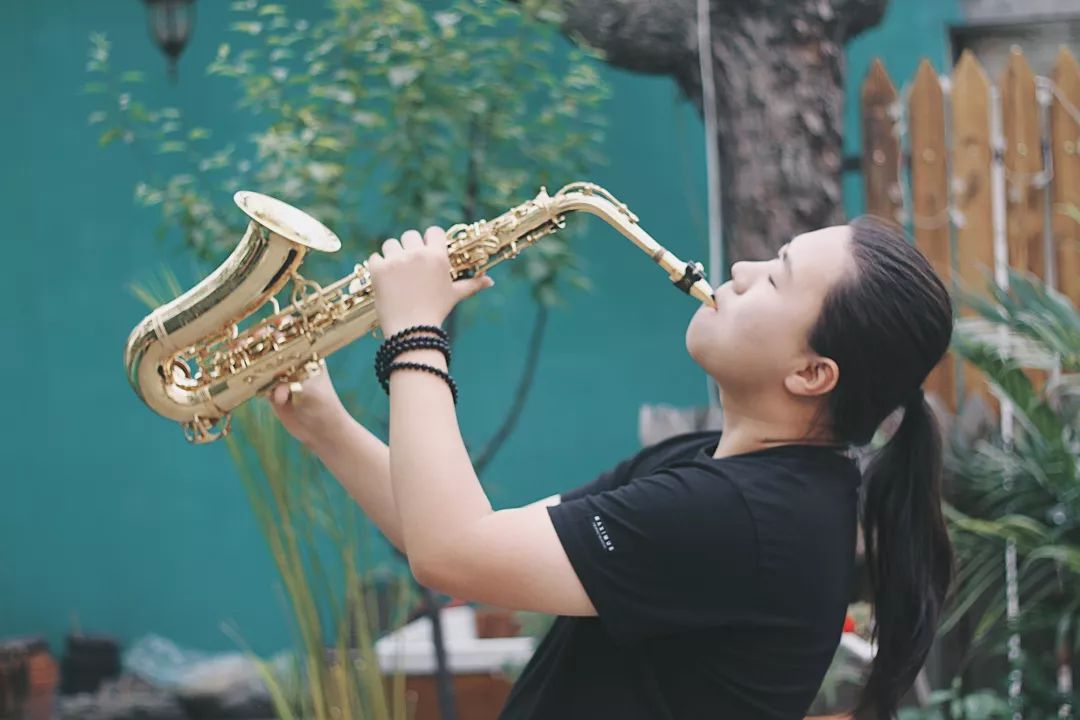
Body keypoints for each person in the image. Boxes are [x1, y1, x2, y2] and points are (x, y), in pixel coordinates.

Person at [268, 215, 955, 719]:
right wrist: (326, 426)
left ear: (812, 373)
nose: (740, 274)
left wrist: (416, 335)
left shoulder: (744, 517)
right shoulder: (718, 470)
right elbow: (481, 547)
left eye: (776, 278)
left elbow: (452, 554)